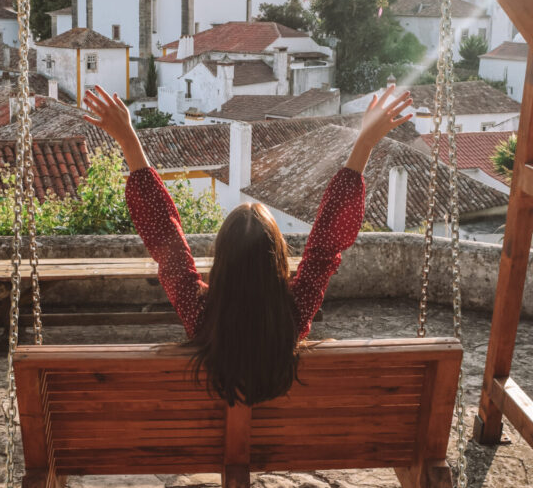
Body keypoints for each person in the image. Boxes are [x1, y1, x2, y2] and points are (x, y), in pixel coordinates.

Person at [83, 84, 413, 406]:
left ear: (222, 260)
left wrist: (127, 137)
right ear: (278, 260)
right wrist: (366, 141)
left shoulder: (200, 313)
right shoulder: (294, 314)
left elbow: (166, 240)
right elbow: (325, 245)